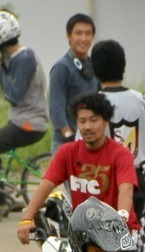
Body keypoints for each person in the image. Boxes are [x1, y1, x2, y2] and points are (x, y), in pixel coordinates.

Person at [18, 93, 138, 251]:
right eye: (82, 121)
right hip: (84, 234)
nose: (87, 126)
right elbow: (46, 185)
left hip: (120, 232)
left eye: (94, 120)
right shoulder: (67, 152)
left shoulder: (120, 154)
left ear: (106, 122)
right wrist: (27, 218)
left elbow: (126, 189)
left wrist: (121, 217)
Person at [91, 38, 145, 252]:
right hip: (136, 178)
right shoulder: (140, 100)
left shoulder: (94, 104)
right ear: (123, 66)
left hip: (103, 182)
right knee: (140, 245)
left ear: (95, 69)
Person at [0, 10, 49, 224]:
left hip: (28, 124)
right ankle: (3, 197)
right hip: (23, 121)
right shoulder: (17, 57)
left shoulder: (23, 58)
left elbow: (13, 95)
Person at [48, 13, 98, 154]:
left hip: (91, 142)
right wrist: (69, 136)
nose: (83, 38)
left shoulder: (94, 66)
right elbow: (56, 109)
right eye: (78, 33)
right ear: (69, 36)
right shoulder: (61, 68)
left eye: (88, 34)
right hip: (66, 144)